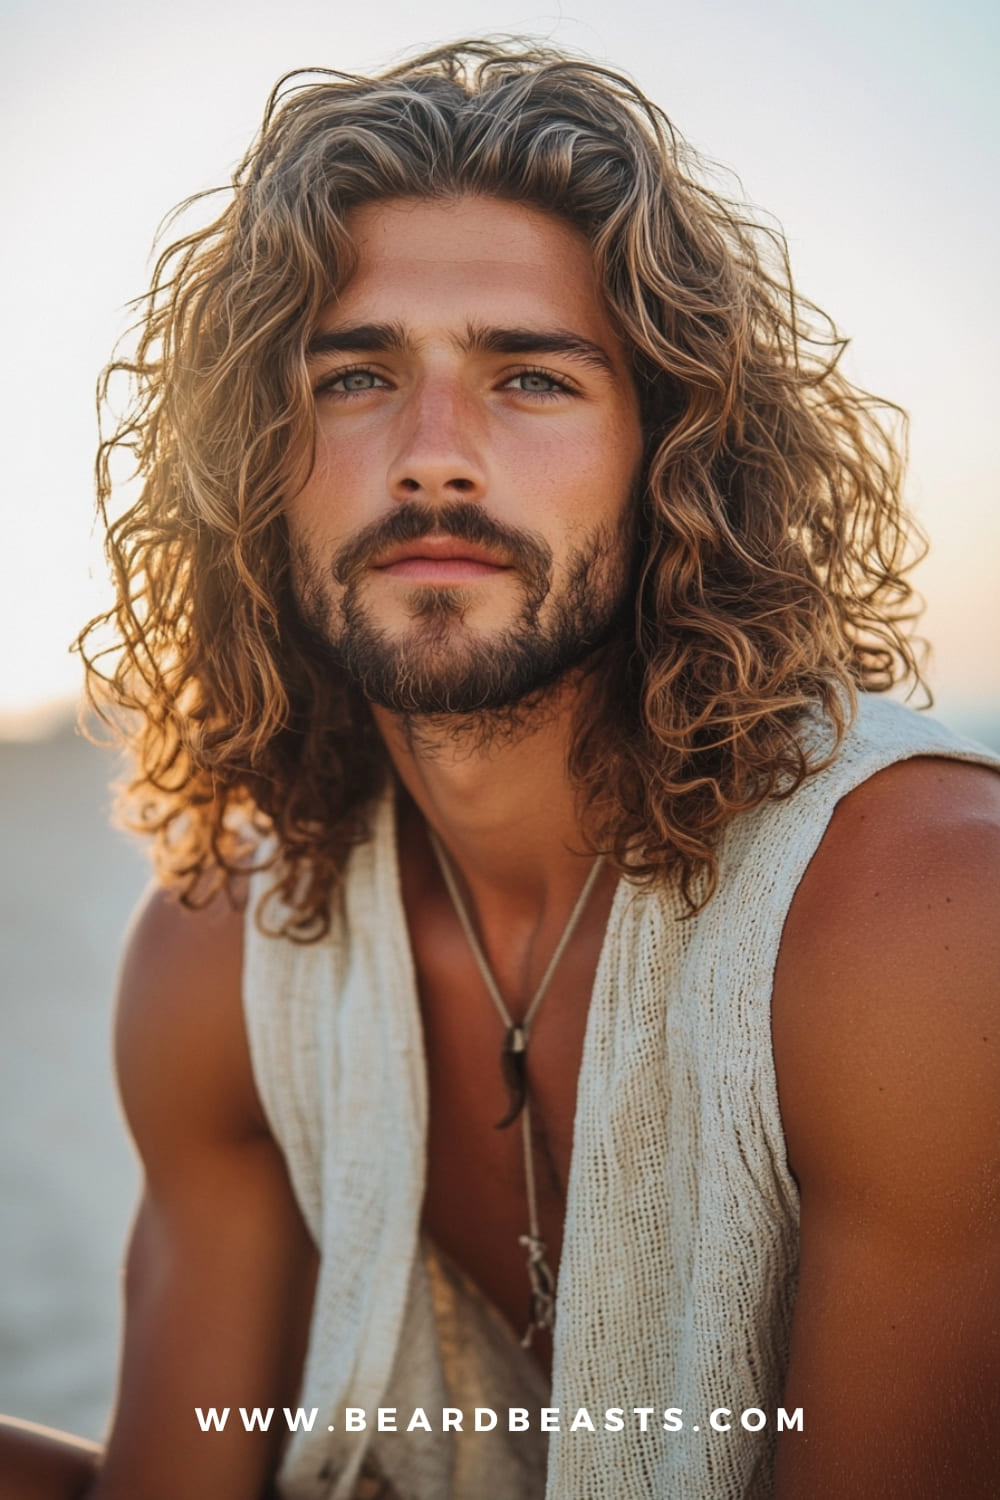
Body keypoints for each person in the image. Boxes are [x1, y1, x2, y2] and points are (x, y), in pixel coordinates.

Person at [1, 37, 997, 1500]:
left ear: (673, 460)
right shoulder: (228, 958)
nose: (434, 458)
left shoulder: (922, 921)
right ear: (255, 466)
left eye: (530, 377)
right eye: (352, 377)